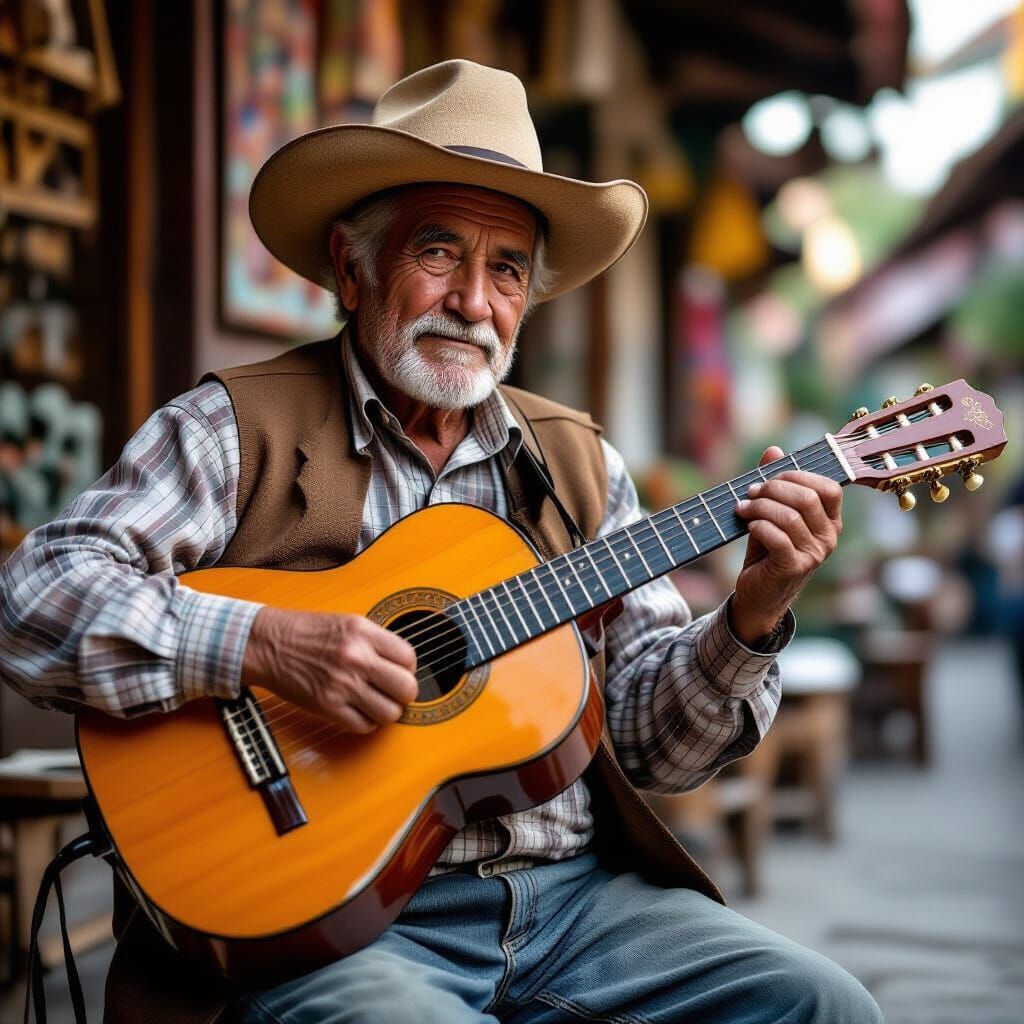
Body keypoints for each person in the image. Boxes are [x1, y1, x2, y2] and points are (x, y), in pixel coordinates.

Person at [0, 60, 881, 1024]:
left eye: (506, 269)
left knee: (824, 1006)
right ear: (352, 265)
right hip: (337, 922)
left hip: (577, 907)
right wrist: (265, 644)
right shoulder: (233, 428)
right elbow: (34, 595)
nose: (472, 299)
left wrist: (752, 616)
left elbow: (651, 748)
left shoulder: (579, 464)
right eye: (438, 252)